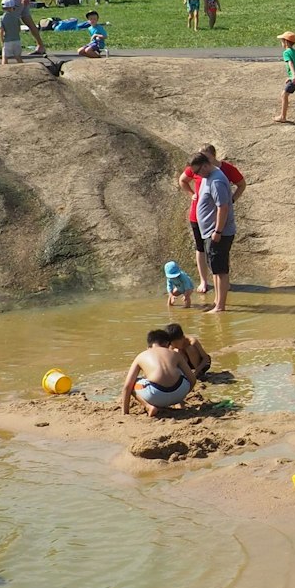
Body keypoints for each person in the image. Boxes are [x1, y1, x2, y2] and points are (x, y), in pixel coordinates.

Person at [191, 150, 237, 313]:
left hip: (218, 232)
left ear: (205, 165)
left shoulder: (216, 180)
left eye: (198, 171)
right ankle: (218, 301)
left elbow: (222, 207)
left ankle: (220, 306)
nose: (197, 175)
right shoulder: (208, 177)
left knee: (220, 270)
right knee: (215, 269)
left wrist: (217, 231)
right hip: (210, 232)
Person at [121, 328, 196, 417]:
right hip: (179, 392)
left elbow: (127, 386)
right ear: (167, 344)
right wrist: (181, 395)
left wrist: (124, 412)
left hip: (155, 395)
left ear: (148, 346)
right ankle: (179, 402)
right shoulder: (175, 354)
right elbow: (192, 379)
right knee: (179, 373)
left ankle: (148, 406)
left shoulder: (141, 355)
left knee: (133, 383)